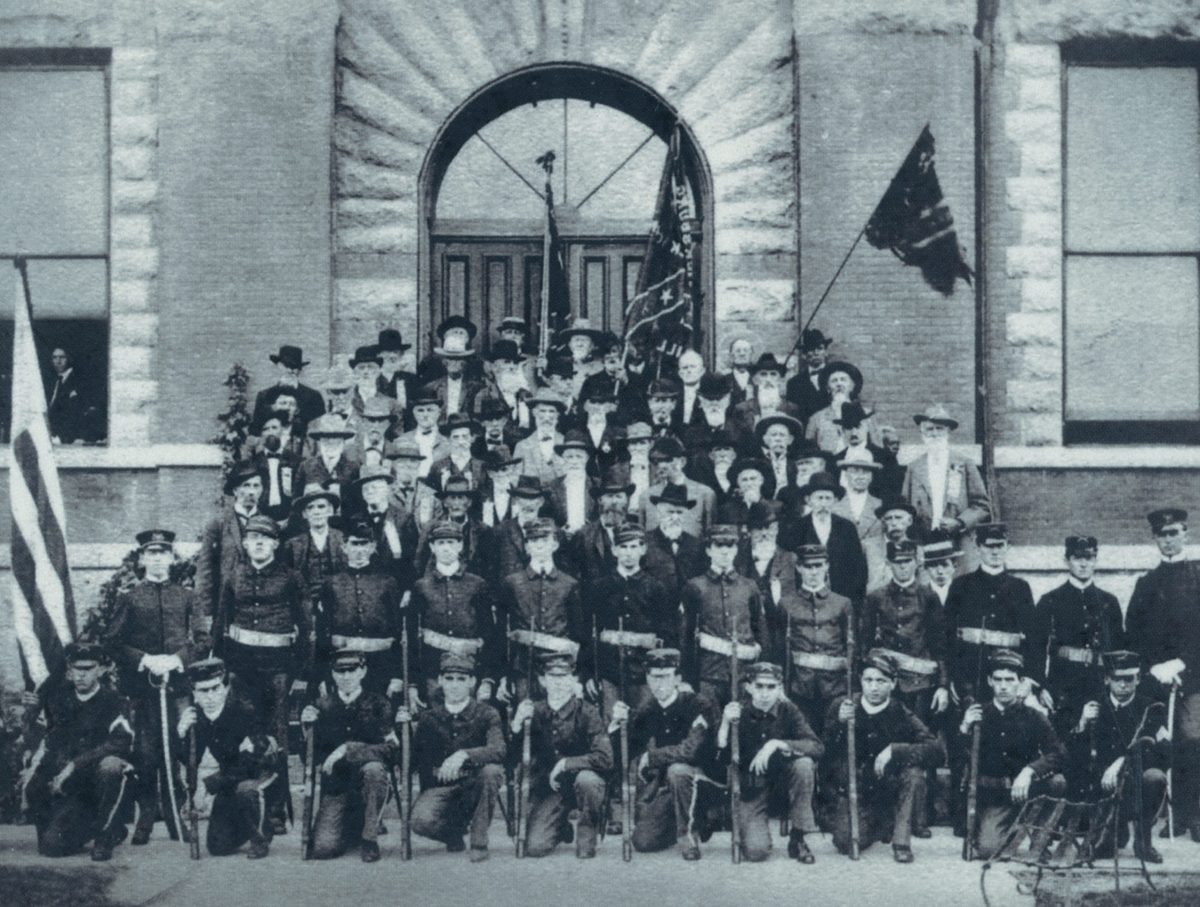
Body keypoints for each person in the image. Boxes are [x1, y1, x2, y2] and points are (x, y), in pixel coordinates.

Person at [102, 529, 200, 845]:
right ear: (142, 559)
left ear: (172, 558)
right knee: (145, 754)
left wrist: (178, 659)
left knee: (178, 750)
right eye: (151, 553)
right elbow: (113, 643)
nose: (158, 559)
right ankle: (145, 817)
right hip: (141, 692)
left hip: (177, 689)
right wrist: (144, 660)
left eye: (163, 553)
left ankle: (176, 816)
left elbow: (203, 638)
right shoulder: (128, 598)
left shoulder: (187, 597)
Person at [212, 513, 309, 831]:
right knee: (244, 735)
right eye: (253, 539)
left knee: (277, 738)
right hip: (242, 668)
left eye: (264, 539)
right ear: (245, 543)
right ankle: (246, 805)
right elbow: (221, 623)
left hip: (278, 668)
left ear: (275, 544)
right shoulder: (233, 575)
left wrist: (300, 671)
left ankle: (277, 811)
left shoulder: (290, 577)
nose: (258, 544)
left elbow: (305, 628)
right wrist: (222, 664)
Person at [861, 539, 950, 835]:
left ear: (916, 562)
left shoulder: (928, 597)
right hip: (889, 686)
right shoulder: (875, 598)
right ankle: (889, 816)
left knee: (922, 748)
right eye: (897, 562)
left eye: (908, 561)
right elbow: (865, 644)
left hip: (921, 685)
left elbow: (940, 644)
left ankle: (921, 818)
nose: (903, 566)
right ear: (889, 564)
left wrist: (942, 685)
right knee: (885, 745)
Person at [823, 649, 944, 862]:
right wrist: (839, 724)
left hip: (889, 787)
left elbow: (935, 750)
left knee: (914, 774)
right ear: (861, 681)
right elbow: (825, 752)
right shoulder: (843, 707)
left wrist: (895, 750)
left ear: (893, 683)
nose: (874, 687)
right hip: (856, 790)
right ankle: (879, 823)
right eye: (868, 680)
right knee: (845, 842)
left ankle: (901, 841)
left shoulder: (901, 712)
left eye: (881, 681)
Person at [1124, 506, 1200, 840]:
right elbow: (1134, 634)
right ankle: (1161, 813)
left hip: (1194, 678)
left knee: (1193, 740)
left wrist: (1182, 663)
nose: (1168, 540)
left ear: (1186, 533)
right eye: (1162, 535)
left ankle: (1191, 814)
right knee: (1157, 743)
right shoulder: (1146, 584)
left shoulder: (1198, 577)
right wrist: (1153, 667)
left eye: (1174, 533)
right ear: (1155, 539)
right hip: (1156, 682)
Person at [24, 642, 134, 860]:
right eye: (76, 669)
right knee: (50, 847)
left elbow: (121, 742)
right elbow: (52, 742)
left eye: (88, 669)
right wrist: (41, 776)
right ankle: (103, 828)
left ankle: (105, 835)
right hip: (72, 789)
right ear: (69, 671)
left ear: (101, 670)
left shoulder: (113, 701)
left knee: (111, 766)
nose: (81, 675)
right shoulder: (60, 700)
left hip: (96, 783)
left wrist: (76, 764)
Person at [610, 647, 719, 859]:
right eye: (653, 677)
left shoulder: (698, 705)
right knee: (643, 841)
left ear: (677, 678)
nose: (659, 684)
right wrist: (617, 726)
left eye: (665, 677)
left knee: (677, 770)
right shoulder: (649, 710)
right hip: (673, 787)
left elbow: (690, 751)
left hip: (705, 780)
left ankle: (689, 837)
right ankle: (687, 820)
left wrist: (651, 757)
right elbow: (627, 752)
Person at [958, 649, 1066, 859]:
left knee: (1058, 782)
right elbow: (960, 758)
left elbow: (1059, 754)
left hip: (1026, 792)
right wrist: (964, 728)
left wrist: (1030, 771)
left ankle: (1040, 839)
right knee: (990, 851)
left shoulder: (1034, 717)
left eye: (1010, 679)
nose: (1004, 686)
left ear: (1020, 682)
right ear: (990, 681)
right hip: (994, 797)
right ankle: (1005, 831)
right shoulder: (978, 715)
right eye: (998, 679)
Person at [1064, 650, 1168, 862]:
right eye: (1116, 679)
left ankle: (1143, 842)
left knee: (1155, 777)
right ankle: (1110, 833)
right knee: (1106, 846)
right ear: (1107, 679)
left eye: (1128, 679)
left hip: (1134, 783)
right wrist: (1082, 724)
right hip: (1101, 787)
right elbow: (1072, 754)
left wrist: (1121, 763)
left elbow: (1159, 752)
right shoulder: (1094, 707)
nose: (1122, 685)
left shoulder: (1151, 708)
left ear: (1138, 679)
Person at [177, 657, 285, 858]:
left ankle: (261, 834)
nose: (210, 696)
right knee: (218, 847)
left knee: (246, 791)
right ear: (195, 693)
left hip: (260, 775)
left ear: (226, 689)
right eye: (203, 690)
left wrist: (208, 786)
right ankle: (248, 822)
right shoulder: (197, 719)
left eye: (215, 688)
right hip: (229, 780)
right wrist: (181, 734)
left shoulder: (245, 712)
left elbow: (250, 763)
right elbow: (191, 760)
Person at [717, 661, 823, 863]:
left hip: (783, 786)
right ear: (748, 687)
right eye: (759, 686)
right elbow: (721, 759)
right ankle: (755, 830)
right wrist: (724, 724)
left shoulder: (788, 710)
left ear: (780, 688)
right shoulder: (737, 713)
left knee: (804, 765)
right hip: (752, 788)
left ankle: (798, 837)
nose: (765, 693)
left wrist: (777, 744)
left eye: (771, 687)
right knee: (756, 852)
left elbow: (816, 746)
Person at [404, 652, 506, 862]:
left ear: (472, 682)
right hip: (441, 786)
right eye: (449, 679)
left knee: (492, 771)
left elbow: (499, 750)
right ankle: (453, 833)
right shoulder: (429, 718)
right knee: (419, 822)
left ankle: (479, 841)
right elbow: (411, 759)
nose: (455, 685)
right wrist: (401, 729)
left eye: (461, 679)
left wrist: (464, 755)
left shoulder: (487, 713)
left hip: (474, 787)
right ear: (440, 681)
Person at [510, 652, 613, 857]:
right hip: (549, 789)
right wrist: (516, 724)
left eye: (564, 677)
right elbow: (511, 758)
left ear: (574, 680)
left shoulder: (588, 712)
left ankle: (587, 834)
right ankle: (559, 828)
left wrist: (567, 763)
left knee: (588, 781)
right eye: (552, 677)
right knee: (535, 848)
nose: (558, 683)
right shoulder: (534, 712)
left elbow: (605, 757)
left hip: (581, 782)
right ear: (542, 681)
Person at [299, 649, 395, 861]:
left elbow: (390, 750)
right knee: (323, 849)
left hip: (369, 782)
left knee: (374, 769)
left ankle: (370, 838)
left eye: (352, 670)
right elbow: (310, 758)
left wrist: (348, 749)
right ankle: (353, 825)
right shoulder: (322, 706)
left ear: (363, 672)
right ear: (333, 674)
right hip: (337, 786)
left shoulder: (379, 704)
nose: (346, 676)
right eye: (340, 671)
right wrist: (307, 730)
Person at [1031, 535, 1125, 735]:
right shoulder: (1050, 601)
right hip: (1063, 685)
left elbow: (1118, 648)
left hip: (1101, 685)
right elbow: (1036, 647)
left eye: (1089, 558)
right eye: (1077, 558)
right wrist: (1041, 687)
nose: (1083, 564)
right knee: (1065, 743)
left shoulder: (1109, 602)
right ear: (1066, 561)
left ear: (1095, 560)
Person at [583, 523, 675, 723]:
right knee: (612, 727)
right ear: (614, 550)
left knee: (644, 727)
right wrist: (589, 673)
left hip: (644, 675)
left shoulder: (656, 588)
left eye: (634, 547)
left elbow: (667, 634)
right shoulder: (600, 588)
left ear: (643, 549)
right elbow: (590, 633)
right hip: (610, 675)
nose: (628, 553)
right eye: (623, 547)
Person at [316, 520, 407, 700]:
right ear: (344, 547)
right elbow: (322, 633)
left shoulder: (388, 582)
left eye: (364, 544)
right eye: (354, 544)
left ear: (372, 546)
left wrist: (397, 675)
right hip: (343, 664)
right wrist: (323, 676)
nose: (359, 550)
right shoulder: (331, 583)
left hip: (380, 662)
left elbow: (397, 631)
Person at [497, 518, 585, 703]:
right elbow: (504, 633)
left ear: (554, 544)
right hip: (523, 668)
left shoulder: (569, 584)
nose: (539, 546)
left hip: (560, 667)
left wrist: (579, 676)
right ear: (527, 547)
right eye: (533, 541)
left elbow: (578, 634)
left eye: (544, 540)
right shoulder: (512, 583)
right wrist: (505, 675)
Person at [408, 521, 496, 702]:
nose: (446, 548)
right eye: (440, 543)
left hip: (470, 670)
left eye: (451, 542)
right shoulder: (421, 586)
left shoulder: (478, 585)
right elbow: (412, 638)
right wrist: (413, 683)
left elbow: (488, 634)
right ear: (432, 547)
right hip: (433, 671)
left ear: (460, 545)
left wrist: (487, 679)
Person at [681, 524, 764, 704]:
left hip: (744, 675)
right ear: (709, 550)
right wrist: (687, 679)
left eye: (730, 546)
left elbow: (760, 631)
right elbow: (686, 636)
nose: (725, 552)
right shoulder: (695, 587)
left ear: (736, 550)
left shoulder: (749, 587)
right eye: (719, 546)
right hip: (709, 675)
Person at [778, 544, 854, 734]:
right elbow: (778, 647)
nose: (813, 572)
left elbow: (852, 646)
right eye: (808, 566)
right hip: (799, 686)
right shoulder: (786, 603)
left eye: (818, 565)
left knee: (833, 735)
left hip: (835, 686)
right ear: (799, 568)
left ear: (827, 566)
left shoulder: (842, 603)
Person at [901, 404, 991, 541]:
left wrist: (960, 522)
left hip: (959, 538)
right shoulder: (914, 467)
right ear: (922, 433)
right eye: (929, 429)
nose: (935, 434)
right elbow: (905, 506)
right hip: (923, 538)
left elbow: (982, 506)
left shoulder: (964, 463)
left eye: (940, 429)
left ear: (948, 432)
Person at [195, 459, 267, 625]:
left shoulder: (267, 523)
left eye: (256, 486)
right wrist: (206, 612)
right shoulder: (218, 524)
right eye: (246, 486)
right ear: (235, 490)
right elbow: (205, 569)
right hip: (227, 603)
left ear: (262, 490)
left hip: (260, 604)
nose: (251, 492)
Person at [781, 471, 867, 604]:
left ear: (836, 501)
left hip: (841, 596)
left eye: (828, 498)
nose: (823, 504)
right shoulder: (797, 528)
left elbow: (857, 566)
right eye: (819, 498)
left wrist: (853, 599)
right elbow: (791, 567)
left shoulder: (846, 527)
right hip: (806, 598)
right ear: (808, 500)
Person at [833, 447, 887, 592]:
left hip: (872, 575)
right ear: (846, 474)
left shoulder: (881, 507)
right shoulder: (835, 507)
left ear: (872, 476)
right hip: (841, 572)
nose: (860, 476)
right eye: (855, 471)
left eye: (866, 471)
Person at [642, 437, 716, 536]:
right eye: (655, 461)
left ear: (682, 461)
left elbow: (710, 534)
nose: (661, 465)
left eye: (668, 460)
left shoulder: (705, 494)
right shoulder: (646, 496)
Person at [805, 361, 877, 454]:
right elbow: (809, 450)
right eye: (834, 381)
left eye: (843, 380)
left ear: (852, 386)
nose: (839, 384)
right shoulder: (816, 418)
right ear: (827, 388)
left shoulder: (866, 415)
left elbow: (877, 447)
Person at [252, 344, 325, 430]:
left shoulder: (313, 396)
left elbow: (320, 426)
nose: (290, 370)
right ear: (278, 366)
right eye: (286, 366)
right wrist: (273, 408)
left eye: (295, 367)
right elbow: (256, 427)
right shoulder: (264, 396)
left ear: (300, 370)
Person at [731, 353, 802, 434]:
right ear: (755, 380)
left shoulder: (792, 409)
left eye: (773, 374)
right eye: (763, 374)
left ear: (780, 380)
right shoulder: (742, 409)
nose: (768, 379)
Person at [294, 415, 360, 501]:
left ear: (343, 442)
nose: (331, 442)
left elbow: (357, 503)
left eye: (336, 438)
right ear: (319, 441)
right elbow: (296, 499)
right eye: (326, 438)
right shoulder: (306, 467)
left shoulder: (353, 468)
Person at [514, 391, 568, 484]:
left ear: (557, 415)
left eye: (551, 411)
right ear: (534, 413)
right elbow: (515, 480)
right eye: (542, 411)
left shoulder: (567, 443)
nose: (547, 417)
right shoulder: (522, 446)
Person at [396, 389, 450, 479]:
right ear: (414, 413)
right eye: (420, 410)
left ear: (438, 413)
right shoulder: (401, 441)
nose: (425, 415)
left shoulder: (448, 442)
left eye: (430, 410)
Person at [784, 328, 833, 424]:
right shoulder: (794, 383)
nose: (816, 353)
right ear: (804, 355)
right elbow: (793, 415)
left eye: (820, 348)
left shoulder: (836, 377)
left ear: (826, 352)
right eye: (811, 349)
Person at [46, 346, 90, 443]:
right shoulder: (53, 381)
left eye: (62, 357)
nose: (58, 361)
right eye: (55, 357)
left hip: (70, 438)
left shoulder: (80, 379)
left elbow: (77, 413)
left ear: (69, 358)